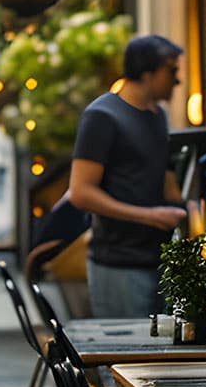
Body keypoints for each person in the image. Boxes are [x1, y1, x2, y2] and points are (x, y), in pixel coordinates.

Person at [66, 35, 188, 317]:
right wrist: (149, 216)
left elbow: (163, 177)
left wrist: (186, 210)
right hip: (119, 263)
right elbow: (81, 192)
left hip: (157, 259)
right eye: (171, 71)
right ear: (147, 74)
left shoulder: (158, 114)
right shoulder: (102, 116)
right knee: (127, 355)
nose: (177, 80)